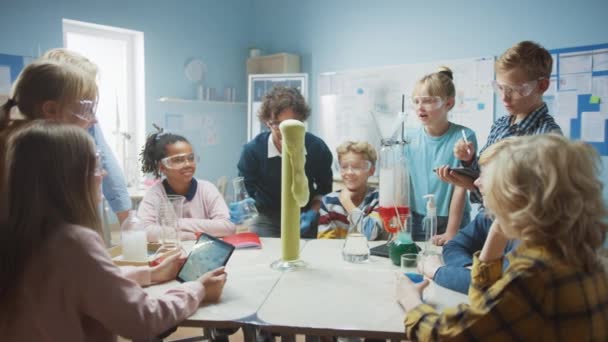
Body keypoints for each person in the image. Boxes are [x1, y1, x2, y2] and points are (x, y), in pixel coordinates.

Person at [0, 120, 227, 340]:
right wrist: (197, 289)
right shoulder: (74, 243)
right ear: (67, 176)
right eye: (96, 165)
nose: (103, 174)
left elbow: (90, 283)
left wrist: (151, 273)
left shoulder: (18, 235)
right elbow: (144, 319)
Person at [398, 134, 608, 340]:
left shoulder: (532, 274)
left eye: (493, 180)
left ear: (519, 196)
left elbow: (446, 336)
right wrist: (500, 223)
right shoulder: (579, 257)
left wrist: (411, 301)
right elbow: (484, 302)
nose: (478, 182)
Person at [426, 41, 562, 294]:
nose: (504, 97)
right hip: (492, 218)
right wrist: (469, 167)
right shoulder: (501, 123)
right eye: (500, 87)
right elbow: (486, 183)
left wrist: (467, 277)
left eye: (515, 89)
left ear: (542, 85)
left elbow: (529, 203)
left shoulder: (549, 141)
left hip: (520, 228)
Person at [41, 48, 131, 225]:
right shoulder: (26, 148)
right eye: (85, 107)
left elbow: (105, 161)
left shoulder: (81, 123)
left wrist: (128, 222)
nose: (93, 120)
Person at [236, 86, 333, 238]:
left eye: (291, 125)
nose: (284, 131)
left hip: (304, 214)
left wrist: (313, 212)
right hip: (267, 216)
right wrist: (243, 207)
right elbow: (246, 191)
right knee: (264, 253)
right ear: (267, 122)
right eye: (277, 124)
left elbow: (324, 189)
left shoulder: (317, 148)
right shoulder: (253, 151)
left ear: (302, 122)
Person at [405, 66, 477, 245]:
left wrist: (451, 232)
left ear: (449, 104)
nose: (420, 107)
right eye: (416, 101)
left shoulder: (464, 137)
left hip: (452, 220)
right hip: (415, 218)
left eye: (428, 101)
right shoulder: (408, 138)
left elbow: (461, 187)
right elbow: (404, 183)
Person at [138, 130, 235, 241]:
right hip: (171, 254)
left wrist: (178, 223)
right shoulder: (155, 194)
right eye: (178, 160)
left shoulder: (206, 189)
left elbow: (227, 227)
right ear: (162, 167)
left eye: (190, 158)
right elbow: (144, 231)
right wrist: (190, 236)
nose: (188, 164)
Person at [317, 141, 385, 240]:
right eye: (344, 167)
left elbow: (370, 234)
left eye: (357, 167)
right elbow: (324, 244)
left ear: (371, 170)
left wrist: (347, 202)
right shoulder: (328, 202)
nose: (349, 172)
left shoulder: (378, 198)